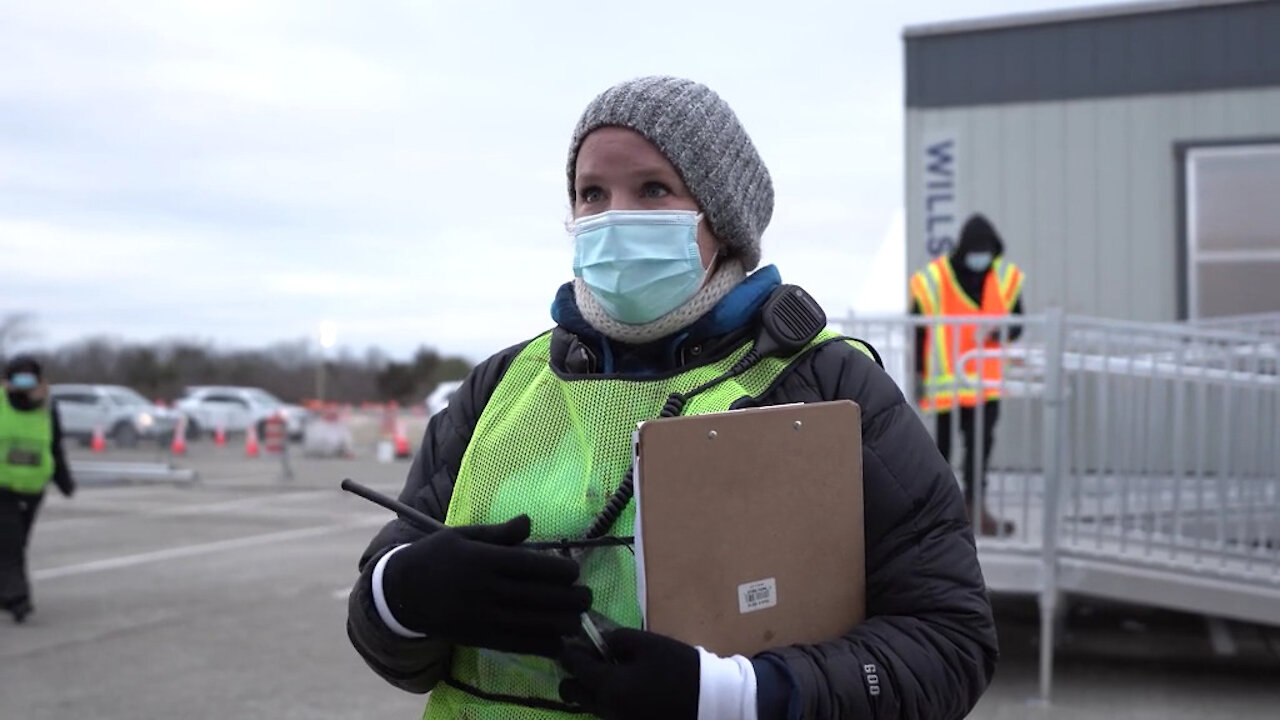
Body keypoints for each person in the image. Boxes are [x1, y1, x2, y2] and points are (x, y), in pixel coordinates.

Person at [347, 76, 997, 720]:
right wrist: (400, 595)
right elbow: (389, 642)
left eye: (653, 189)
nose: (614, 218)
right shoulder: (500, 387)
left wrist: (736, 697)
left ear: (722, 217)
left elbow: (948, 643)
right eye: (591, 194)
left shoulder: (825, 385)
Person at [909, 214, 1024, 536]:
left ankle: (975, 509)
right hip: (948, 383)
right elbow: (917, 331)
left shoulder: (1004, 277)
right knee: (942, 450)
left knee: (980, 447)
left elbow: (1018, 324)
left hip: (986, 383)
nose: (981, 257)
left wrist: (1002, 330)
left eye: (986, 251)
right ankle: (939, 513)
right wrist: (918, 372)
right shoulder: (935, 278)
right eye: (976, 250)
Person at [0, 355, 75, 623]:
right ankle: (18, 598)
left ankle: (7, 590)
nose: (24, 378)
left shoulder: (47, 407)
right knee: (9, 545)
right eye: (18, 373)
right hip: (3, 486)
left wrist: (64, 480)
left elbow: (54, 445)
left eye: (29, 373)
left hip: (32, 488)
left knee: (17, 543)